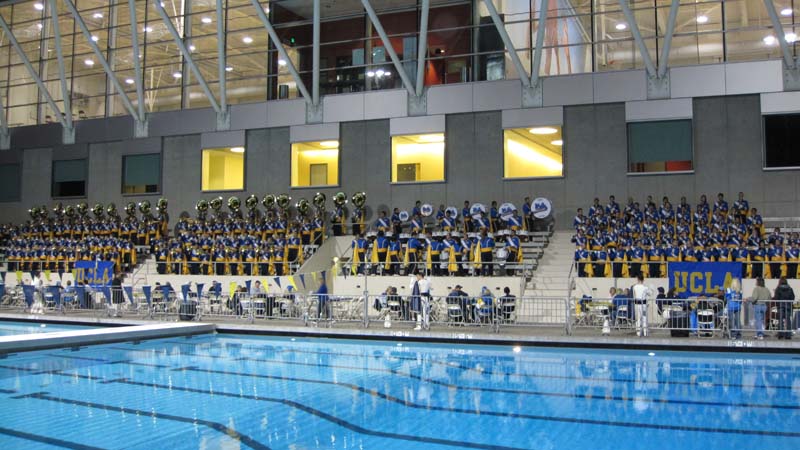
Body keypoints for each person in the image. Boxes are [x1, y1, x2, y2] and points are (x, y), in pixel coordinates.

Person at [632, 273, 651, 337]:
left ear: (637, 279)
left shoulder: (634, 287)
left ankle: (638, 332)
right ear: (643, 280)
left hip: (637, 304)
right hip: (644, 304)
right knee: (644, 318)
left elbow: (634, 295)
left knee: (638, 318)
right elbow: (650, 294)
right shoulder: (645, 287)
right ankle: (645, 332)